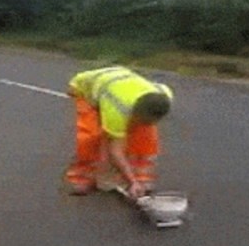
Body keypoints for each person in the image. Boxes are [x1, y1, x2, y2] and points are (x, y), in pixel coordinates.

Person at [64, 66, 173, 199]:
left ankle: (141, 177)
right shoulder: (117, 109)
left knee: (146, 134)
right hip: (86, 88)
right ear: (133, 112)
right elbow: (115, 150)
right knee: (92, 136)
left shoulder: (163, 96)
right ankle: (82, 178)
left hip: (120, 83)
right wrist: (131, 182)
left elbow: (146, 119)